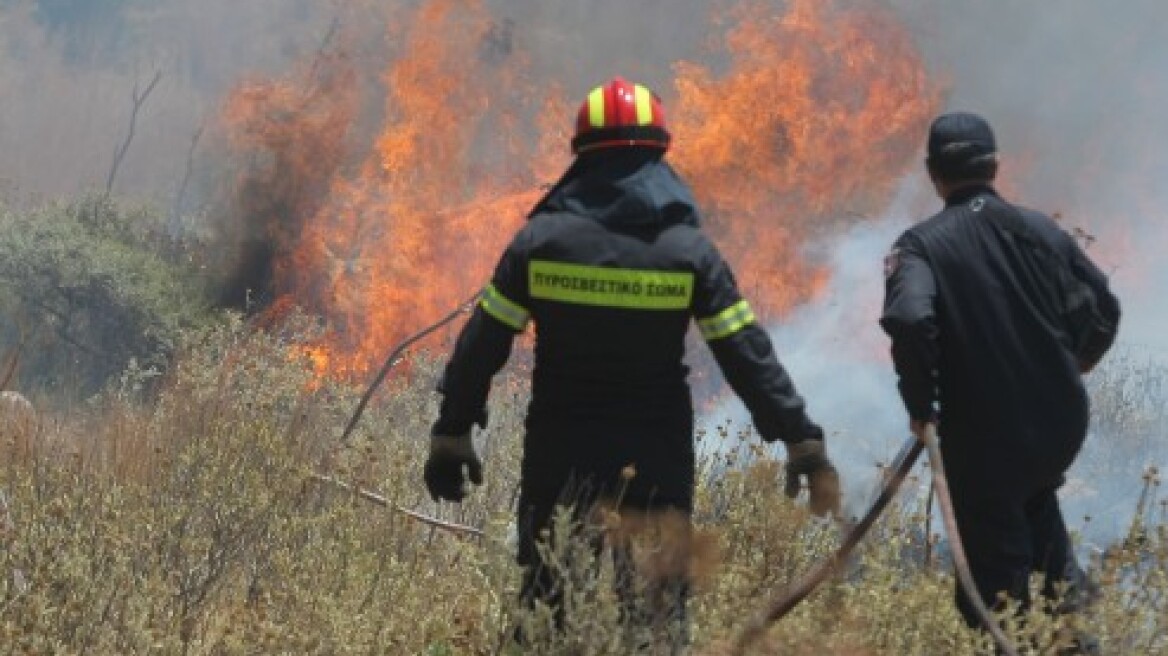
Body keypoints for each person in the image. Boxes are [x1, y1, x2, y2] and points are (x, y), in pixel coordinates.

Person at [424, 77, 840, 650]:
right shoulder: (685, 252)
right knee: (655, 622)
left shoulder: (541, 242)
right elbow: (746, 355)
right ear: (659, 154)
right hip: (655, 461)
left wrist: (452, 430)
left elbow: (482, 344)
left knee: (546, 613)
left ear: (582, 155)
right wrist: (801, 440)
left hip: (560, 454)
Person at [881, 112, 1121, 653]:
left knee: (994, 587)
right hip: (1058, 427)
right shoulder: (1037, 229)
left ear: (933, 173)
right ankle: (1073, 637)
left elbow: (910, 319)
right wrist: (1077, 363)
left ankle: (1012, 639)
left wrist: (921, 405)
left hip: (983, 437)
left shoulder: (920, 246)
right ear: (994, 166)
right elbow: (1104, 306)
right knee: (1039, 516)